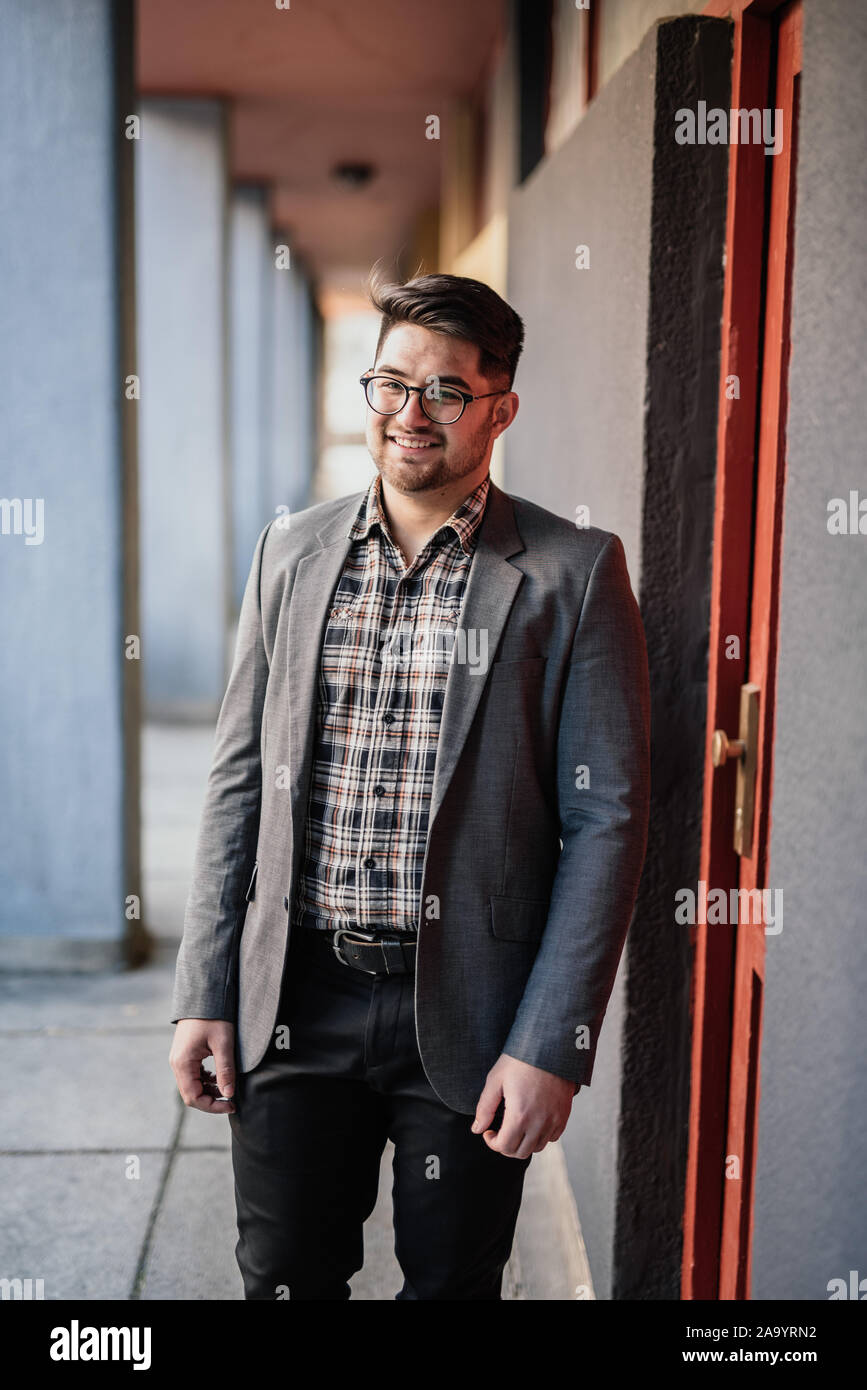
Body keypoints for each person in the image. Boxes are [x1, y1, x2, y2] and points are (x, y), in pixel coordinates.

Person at [169, 270, 651, 1300]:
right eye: (390, 384)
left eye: (444, 391)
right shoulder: (291, 552)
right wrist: (203, 989)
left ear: (500, 408)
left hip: (474, 1013)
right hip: (295, 995)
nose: (410, 414)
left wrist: (553, 1041)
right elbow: (236, 781)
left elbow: (605, 819)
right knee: (285, 1277)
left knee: (451, 1284)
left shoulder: (572, 573)